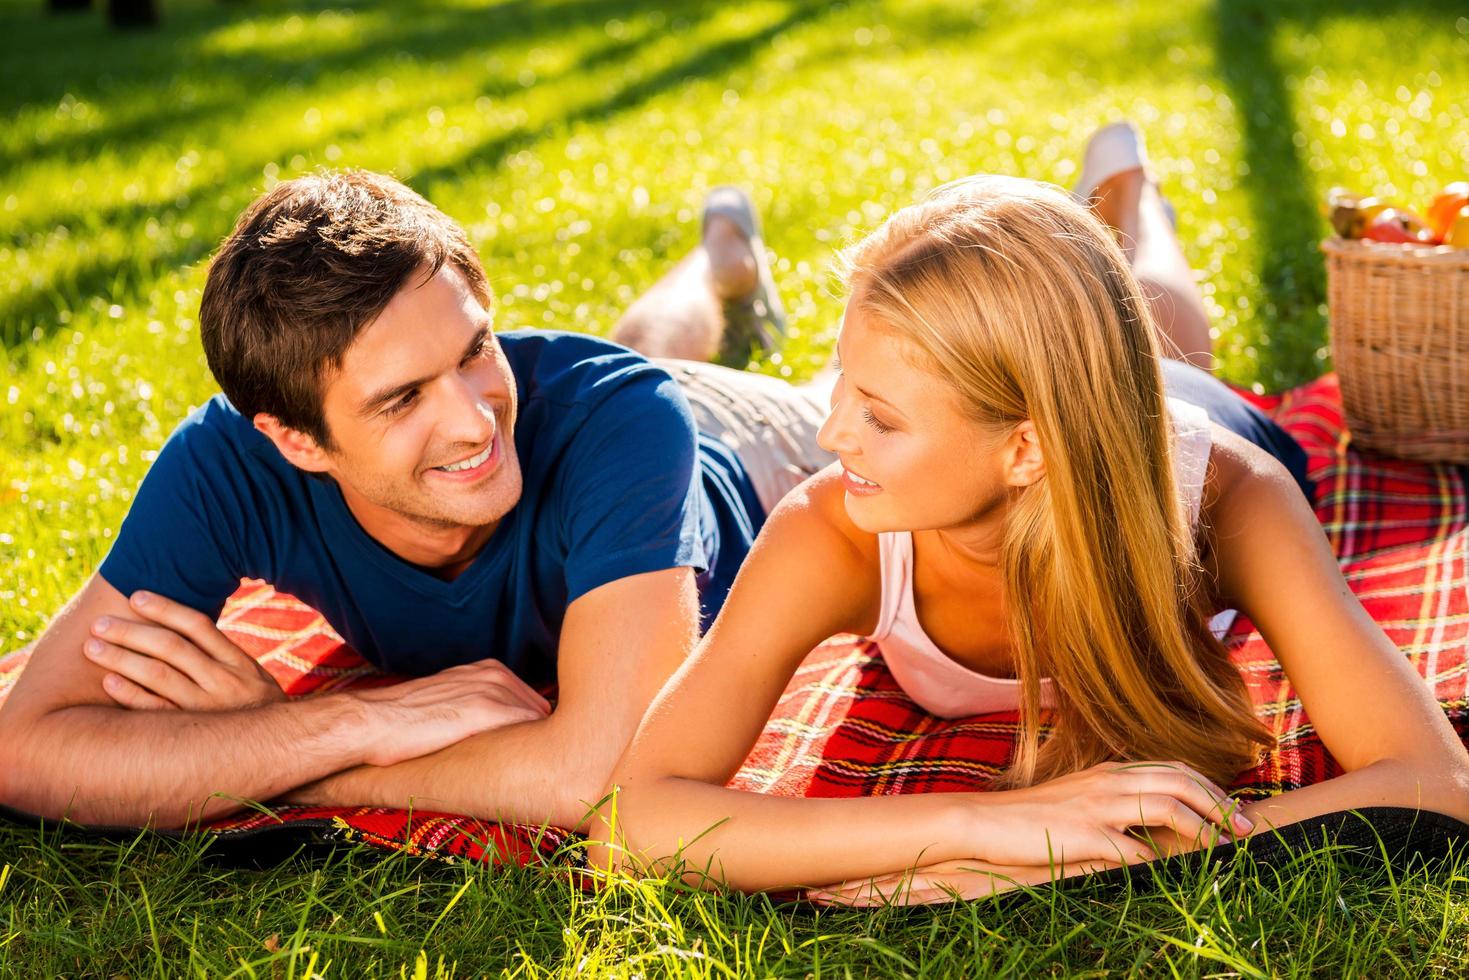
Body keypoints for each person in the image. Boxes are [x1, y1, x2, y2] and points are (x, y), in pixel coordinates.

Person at [594, 125, 1469, 904]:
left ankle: (1128, 190)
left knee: (1160, 317)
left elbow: (1436, 782)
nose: (830, 434)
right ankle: (717, 257)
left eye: (878, 416)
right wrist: (981, 826)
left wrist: (1114, 851)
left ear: (1023, 450)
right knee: (645, 371)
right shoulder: (832, 525)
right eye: (842, 387)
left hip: (1165, 408)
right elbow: (631, 822)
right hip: (1043, 396)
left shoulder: (1228, 496)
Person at [0, 171, 834, 831]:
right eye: (402, 399)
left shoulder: (620, 420)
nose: (474, 423)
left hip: (748, 449)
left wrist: (283, 760)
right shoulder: (230, 466)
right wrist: (345, 724)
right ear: (296, 441)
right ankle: (720, 260)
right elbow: (24, 746)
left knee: (850, 403)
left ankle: (723, 263)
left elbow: (602, 774)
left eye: (476, 348)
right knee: (631, 350)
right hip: (599, 411)